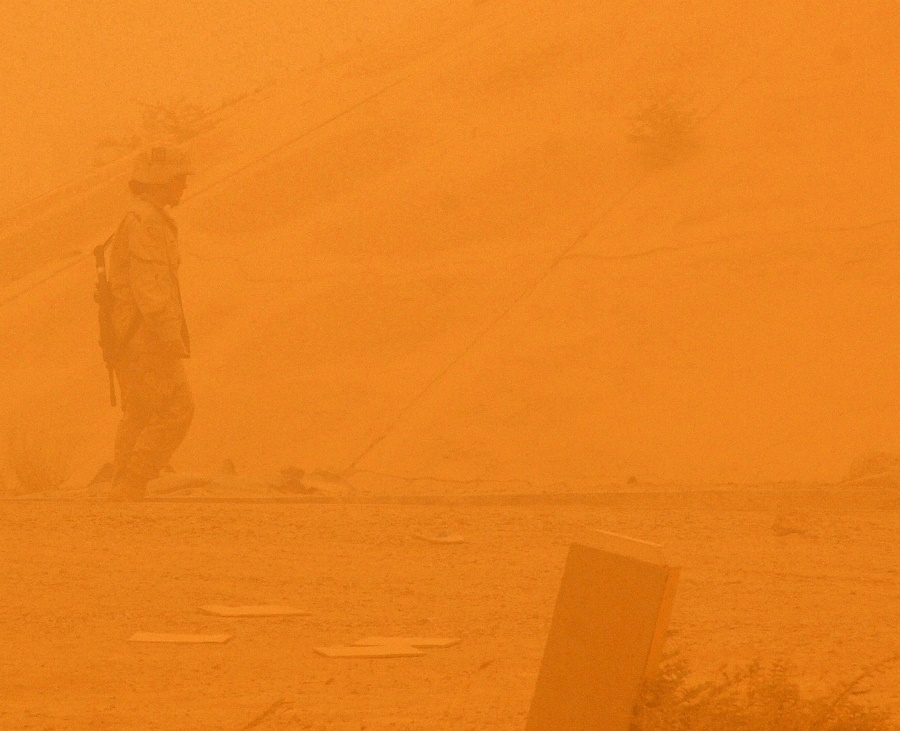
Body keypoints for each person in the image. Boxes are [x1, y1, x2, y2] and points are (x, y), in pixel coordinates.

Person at [106, 145, 194, 500]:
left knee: (141, 411)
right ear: (159, 180)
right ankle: (132, 481)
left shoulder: (146, 218)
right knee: (178, 408)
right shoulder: (145, 222)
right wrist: (170, 335)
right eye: (178, 179)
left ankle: (123, 491)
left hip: (135, 336)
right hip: (147, 337)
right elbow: (151, 286)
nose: (183, 186)